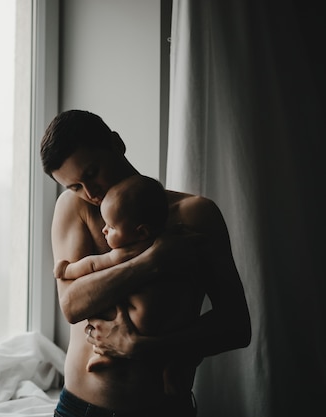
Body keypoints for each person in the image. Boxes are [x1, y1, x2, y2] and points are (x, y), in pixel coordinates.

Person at [41, 110, 251, 416]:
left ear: (116, 143)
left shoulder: (193, 214)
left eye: (91, 173)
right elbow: (72, 305)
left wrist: (143, 348)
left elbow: (236, 326)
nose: (91, 193)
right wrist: (151, 261)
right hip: (80, 408)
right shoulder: (76, 208)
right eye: (74, 186)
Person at [53, 174, 197, 386]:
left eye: (110, 227)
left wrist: (67, 269)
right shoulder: (167, 237)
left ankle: (104, 357)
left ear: (140, 231)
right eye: (75, 186)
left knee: (108, 317)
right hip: (161, 316)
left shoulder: (122, 253)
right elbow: (70, 308)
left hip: (138, 315)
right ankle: (171, 368)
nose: (104, 230)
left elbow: (92, 264)